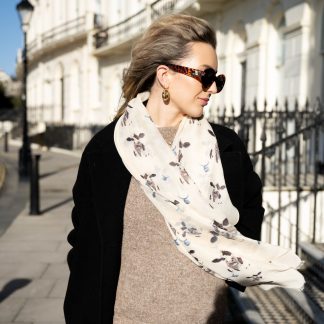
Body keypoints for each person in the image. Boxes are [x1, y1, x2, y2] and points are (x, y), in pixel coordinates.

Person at [64, 13, 304, 324]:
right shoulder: (107, 149)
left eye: (217, 79)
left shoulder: (225, 146)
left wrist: (228, 267)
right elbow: (84, 241)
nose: (213, 89)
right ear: (165, 75)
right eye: (205, 76)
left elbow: (250, 207)